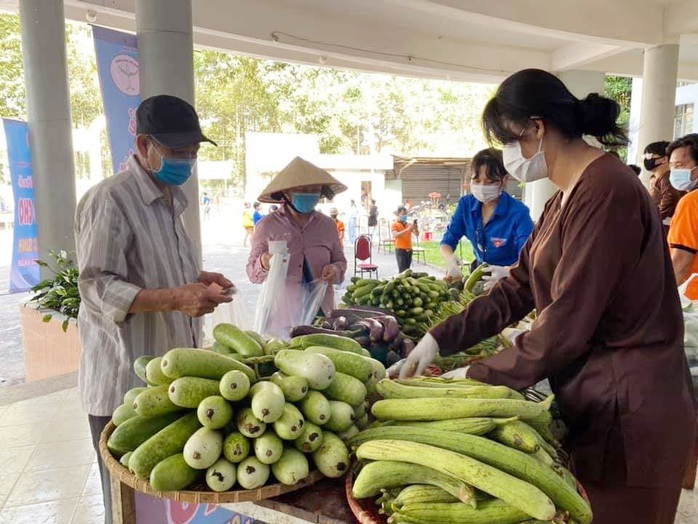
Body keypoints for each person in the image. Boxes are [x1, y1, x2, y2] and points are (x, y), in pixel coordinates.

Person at [398, 69, 695, 524]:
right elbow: (519, 286)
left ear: (537, 128)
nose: (506, 158)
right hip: (595, 400)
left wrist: (471, 379)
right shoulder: (564, 197)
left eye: (508, 141)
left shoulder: (607, 191)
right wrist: (438, 340)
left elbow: (565, 327)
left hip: (630, 409)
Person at [74, 95, 235, 523]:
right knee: (129, 507)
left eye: (193, 152)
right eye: (177, 151)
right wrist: (176, 298)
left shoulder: (170, 200)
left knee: (163, 503)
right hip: (123, 384)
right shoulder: (110, 199)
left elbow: (155, 267)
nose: (187, 160)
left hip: (169, 383)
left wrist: (199, 279)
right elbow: (96, 285)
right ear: (144, 145)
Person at [247, 157, 348, 334]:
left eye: (314, 190)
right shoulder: (267, 226)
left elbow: (340, 262)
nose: (309, 194)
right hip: (280, 317)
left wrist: (335, 270)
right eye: (303, 190)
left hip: (322, 314)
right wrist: (264, 261)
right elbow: (252, 275)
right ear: (287, 193)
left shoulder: (327, 225)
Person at [440, 148, 534, 289]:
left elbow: (530, 256)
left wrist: (508, 272)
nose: (482, 187)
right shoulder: (466, 204)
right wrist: (450, 259)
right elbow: (448, 239)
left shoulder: (518, 213)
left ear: (504, 180)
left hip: (511, 278)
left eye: (490, 182)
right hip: (477, 272)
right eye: (476, 181)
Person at [667, 133, 698, 300]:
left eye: (679, 165)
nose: (674, 172)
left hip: (691, 298)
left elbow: (680, 263)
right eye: (671, 166)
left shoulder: (691, 203)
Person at [643, 140, 686, 235]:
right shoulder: (661, 178)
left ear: (664, 159)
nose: (646, 159)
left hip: (665, 228)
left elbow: (669, 198)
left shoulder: (667, 177)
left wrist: (654, 217)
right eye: (644, 156)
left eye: (649, 156)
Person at [392, 205, 418, 272]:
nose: (405, 216)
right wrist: (407, 230)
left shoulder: (408, 224)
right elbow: (395, 235)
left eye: (406, 214)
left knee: (407, 271)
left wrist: (415, 227)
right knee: (402, 271)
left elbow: (417, 234)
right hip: (400, 250)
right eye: (403, 214)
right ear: (398, 214)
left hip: (409, 249)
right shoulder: (395, 224)